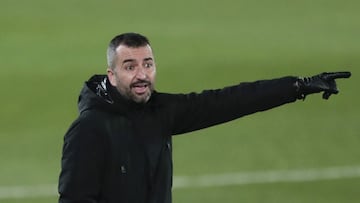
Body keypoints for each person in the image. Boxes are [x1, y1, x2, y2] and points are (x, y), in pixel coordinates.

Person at [58, 32, 351, 203]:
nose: (142, 75)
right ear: (111, 75)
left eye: (147, 64)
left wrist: (296, 86)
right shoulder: (89, 130)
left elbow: (227, 101)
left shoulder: (161, 112)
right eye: (130, 66)